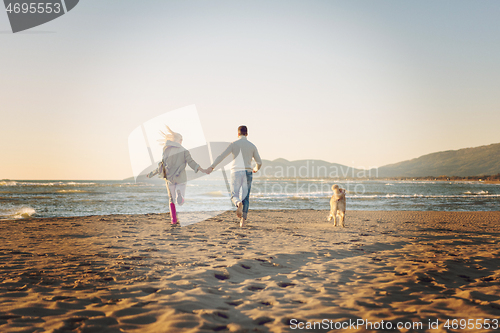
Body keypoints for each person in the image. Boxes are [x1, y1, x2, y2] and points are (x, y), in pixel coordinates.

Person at [207, 125, 262, 227]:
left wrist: (212, 166)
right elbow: (259, 162)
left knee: (234, 195)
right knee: (245, 198)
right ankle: (243, 222)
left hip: (236, 172)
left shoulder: (233, 144)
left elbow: (221, 156)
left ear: (238, 134)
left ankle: (237, 203)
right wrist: (255, 169)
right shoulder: (252, 146)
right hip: (248, 172)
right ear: (247, 134)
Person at [148, 126, 207, 206]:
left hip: (170, 177)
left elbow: (162, 164)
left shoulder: (167, 150)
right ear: (180, 140)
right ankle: (180, 196)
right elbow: (191, 162)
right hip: (181, 177)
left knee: (171, 199)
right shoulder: (184, 151)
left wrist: (152, 173)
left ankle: (174, 218)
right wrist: (199, 168)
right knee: (180, 202)